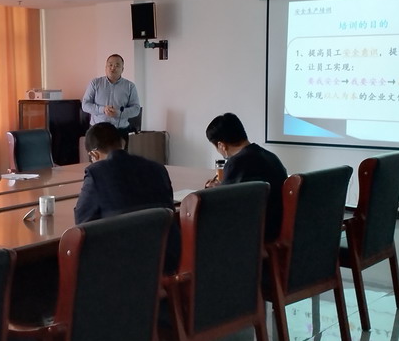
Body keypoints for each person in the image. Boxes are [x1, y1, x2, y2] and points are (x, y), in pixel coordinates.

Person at [74, 122, 180, 273]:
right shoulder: (158, 168)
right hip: (168, 258)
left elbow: (82, 221)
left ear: (93, 155)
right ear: (122, 143)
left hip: (124, 265)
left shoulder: (97, 172)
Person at [204, 113, 288, 242]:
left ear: (221, 145)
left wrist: (214, 193)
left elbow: (224, 207)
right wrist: (222, 187)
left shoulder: (236, 163)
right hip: (276, 226)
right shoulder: (271, 156)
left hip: (254, 233)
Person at [81, 54, 141, 141]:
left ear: (122, 69)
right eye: (110, 65)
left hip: (120, 131)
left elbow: (136, 109)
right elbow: (85, 105)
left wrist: (118, 113)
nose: (113, 68)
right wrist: (102, 110)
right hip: (97, 130)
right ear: (105, 67)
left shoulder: (130, 86)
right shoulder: (95, 83)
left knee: (120, 150)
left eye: (117, 65)